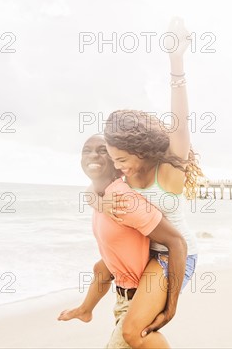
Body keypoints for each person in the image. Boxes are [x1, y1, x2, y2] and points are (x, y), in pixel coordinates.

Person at [101, 17, 204, 343]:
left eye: (121, 159)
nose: (118, 167)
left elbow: (181, 121)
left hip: (174, 256)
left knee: (134, 331)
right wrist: (101, 200)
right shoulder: (125, 175)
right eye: (112, 159)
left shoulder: (169, 171)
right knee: (133, 333)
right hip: (144, 256)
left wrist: (176, 60)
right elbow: (97, 187)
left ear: (140, 150)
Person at [58, 134, 188, 349]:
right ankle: (85, 311)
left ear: (115, 161)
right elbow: (89, 193)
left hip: (140, 299)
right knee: (100, 267)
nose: (93, 155)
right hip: (122, 297)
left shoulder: (122, 199)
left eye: (102, 150)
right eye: (86, 150)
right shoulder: (102, 195)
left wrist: (171, 308)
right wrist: (99, 203)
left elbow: (177, 242)